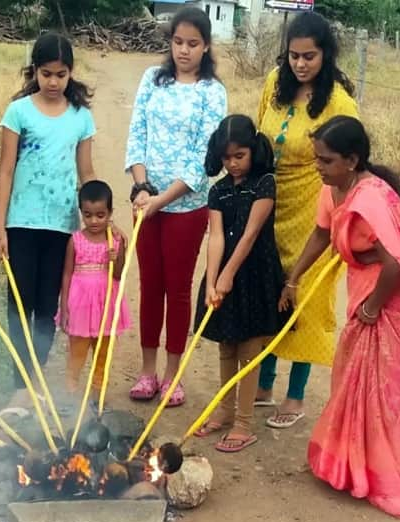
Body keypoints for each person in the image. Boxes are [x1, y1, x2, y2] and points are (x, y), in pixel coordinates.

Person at [280, 116, 400, 522]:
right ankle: (353, 464)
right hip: (368, 291)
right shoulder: (335, 189)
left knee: (386, 389)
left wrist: (372, 308)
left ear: (352, 160)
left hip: (391, 300)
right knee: (356, 378)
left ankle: (389, 471)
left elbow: (395, 265)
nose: (318, 167)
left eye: (326, 160)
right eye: (317, 158)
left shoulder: (371, 196)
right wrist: (294, 276)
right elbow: (322, 234)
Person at [254, 11, 359, 428]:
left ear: (325, 55)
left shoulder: (339, 102)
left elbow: (350, 164)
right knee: (266, 291)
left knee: (306, 298)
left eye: (309, 56)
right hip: (270, 205)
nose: (299, 64)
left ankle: (295, 396)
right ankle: (263, 383)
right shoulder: (273, 84)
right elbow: (259, 139)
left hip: (316, 208)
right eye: (294, 56)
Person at [125, 7, 227, 406]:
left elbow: (204, 159)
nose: (184, 51)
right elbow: (138, 134)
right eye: (178, 42)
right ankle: (147, 371)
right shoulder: (152, 79)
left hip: (187, 206)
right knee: (149, 285)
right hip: (146, 201)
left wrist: (162, 200)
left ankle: (172, 375)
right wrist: (140, 187)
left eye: (193, 44)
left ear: (206, 46)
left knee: (177, 289)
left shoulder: (212, 92)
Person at [0, 32, 97, 413]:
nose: (53, 82)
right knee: (18, 304)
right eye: (46, 73)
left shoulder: (81, 117)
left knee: (47, 305)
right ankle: (19, 383)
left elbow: (85, 172)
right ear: (33, 70)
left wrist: (99, 223)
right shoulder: (18, 112)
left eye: (61, 74)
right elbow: (5, 171)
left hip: (61, 226)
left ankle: (32, 379)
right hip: (21, 223)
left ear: (71, 73)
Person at [192, 115, 289, 452]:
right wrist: (212, 280)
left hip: (254, 273)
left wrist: (229, 275)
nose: (232, 164)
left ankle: (244, 423)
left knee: (249, 348)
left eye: (239, 156)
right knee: (226, 345)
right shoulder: (218, 189)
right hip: (225, 275)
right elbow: (216, 236)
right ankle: (225, 409)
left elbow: (249, 235)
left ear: (252, 150)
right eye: (225, 158)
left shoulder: (264, 183)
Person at [56, 180, 130, 412]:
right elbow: (67, 274)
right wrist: (64, 307)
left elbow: (118, 274)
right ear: (81, 213)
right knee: (77, 352)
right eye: (88, 215)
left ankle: (98, 397)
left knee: (103, 354)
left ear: (110, 213)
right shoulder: (75, 240)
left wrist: (117, 255)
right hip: (80, 304)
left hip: (105, 304)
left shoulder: (115, 240)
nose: (94, 221)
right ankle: (69, 395)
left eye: (100, 215)